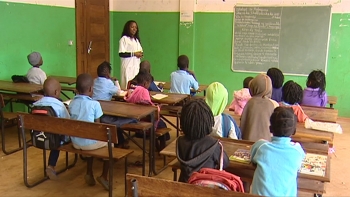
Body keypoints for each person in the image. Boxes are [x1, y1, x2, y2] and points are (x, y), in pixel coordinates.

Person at [250, 107, 305, 196]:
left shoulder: (261, 146)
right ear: (294, 131)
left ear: (270, 129)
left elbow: (252, 158)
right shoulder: (297, 151)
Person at [68, 73, 110, 190]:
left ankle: (89, 172)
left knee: (89, 137)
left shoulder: (72, 103)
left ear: (76, 89)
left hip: (75, 142)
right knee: (109, 142)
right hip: (88, 144)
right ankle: (104, 176)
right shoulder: (95, 104)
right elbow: (98, 127)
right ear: (91, 89)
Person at [176, 99, 229, 183]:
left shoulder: (180, 142)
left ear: (184, 120)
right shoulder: (214, 144)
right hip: (206, 188)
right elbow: (225, 162)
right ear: (208, 121)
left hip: (185, 185)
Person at [32, 77, 70, 180]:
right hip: (54, 140)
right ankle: (51, 165)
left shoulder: (36, 104)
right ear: (56, 92)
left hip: (38, 138)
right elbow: (68, 122)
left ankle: (51, 166)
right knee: (59, 139)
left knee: (54, 135)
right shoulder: (60, 106)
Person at [92, 61, 135, 149]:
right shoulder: (108, 83)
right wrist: (116, 81)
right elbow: (119, 92)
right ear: (108, 74)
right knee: (116, 120)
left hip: (94, 111)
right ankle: (120, 142)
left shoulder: (94, 81)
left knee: (113, 120)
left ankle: (121, 141)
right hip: (104, 112)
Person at [124, 72, 170, 151]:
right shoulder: (144, 91)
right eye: (149, 84)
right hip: (145, 118)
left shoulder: (132, 90)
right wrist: (158, 107)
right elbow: (149, 108)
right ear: (145, 83)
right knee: (162, 125)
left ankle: (157, 145)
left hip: (134, 117)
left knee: (156, 122)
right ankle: (161, 148)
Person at [240, 74, 279, 142]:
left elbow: (243, 125)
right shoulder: (273, 104)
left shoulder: (250, 103)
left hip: (248, 143)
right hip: (267, 144)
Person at [119, 20, 143, 89]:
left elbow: (140, 51)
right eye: (132, 27)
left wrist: (140, 54)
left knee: (135, 86)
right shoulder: (124, 39)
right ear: (128, 28)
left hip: (136, 67)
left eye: (136, 27)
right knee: (127, 85)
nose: (134, 29)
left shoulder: (136, 40)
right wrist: (134, 54)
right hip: (127, 66)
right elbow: (121, 53)